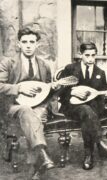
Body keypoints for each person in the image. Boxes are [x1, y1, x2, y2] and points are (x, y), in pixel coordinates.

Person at [0, 27, 56, 178]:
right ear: (19, 44)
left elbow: (48, 92)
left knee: (35, 117)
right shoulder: (8, 63)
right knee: (26, 110)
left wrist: (45, 107)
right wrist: (19, 88)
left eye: (32, 42)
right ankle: (42, 156)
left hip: (38, 106)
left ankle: (37, 169)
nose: (28, 45)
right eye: (24, 42)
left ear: (37, 44)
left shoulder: (44, 65)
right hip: (13, 107)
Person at [58, 42, 107, 170]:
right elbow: (60, 93)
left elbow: (101, 96)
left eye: (93, 55)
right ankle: (100, 145)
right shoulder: (70, 69)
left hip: (92, 108)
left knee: (88, 112)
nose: (91, 59)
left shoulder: (100, 72)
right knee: (86, 110)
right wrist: (73, 91)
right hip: (71, 107)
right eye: (87, 55)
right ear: (80, 55)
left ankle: (89, 155)